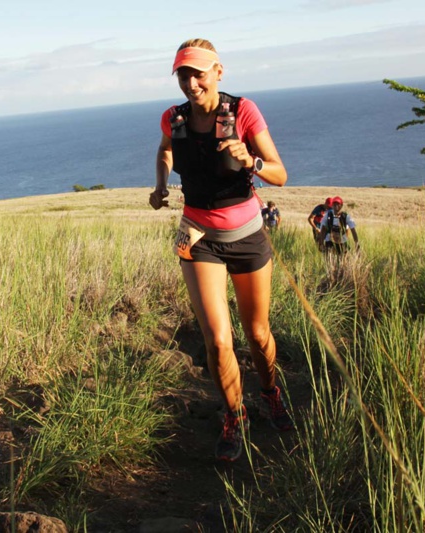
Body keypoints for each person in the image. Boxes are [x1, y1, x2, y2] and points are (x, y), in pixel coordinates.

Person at [149, 38, 293, 462]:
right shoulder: (172, 118)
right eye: (182, 74)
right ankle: (234, 414)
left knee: (258, 334)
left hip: (247, 234)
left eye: (198, 72)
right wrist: (160, 185)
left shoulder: (243, 111)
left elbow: (281, 174)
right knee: (217, 340)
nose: (191, 82)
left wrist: (251, 161)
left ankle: (270, 393)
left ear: (218, 71)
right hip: (198, 237)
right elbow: (165, 150)